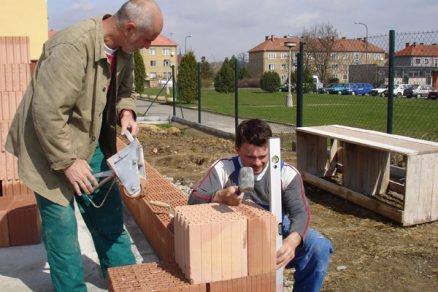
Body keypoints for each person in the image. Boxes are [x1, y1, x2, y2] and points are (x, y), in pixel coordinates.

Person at [5, 0, 163, 290]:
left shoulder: (125, 50)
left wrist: (125, 111)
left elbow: (126, 90)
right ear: (129, 28)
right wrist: (67, 162)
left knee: (109, 221)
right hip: (49, 148)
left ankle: (126, 282)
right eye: (146, 40)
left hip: (89, 143)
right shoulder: (71, 47)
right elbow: (46, 113)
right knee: (63, 235)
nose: (148, 47)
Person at [188, 119, 333, 292]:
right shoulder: (223, 169)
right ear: (237, 149)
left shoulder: (286, 174)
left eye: (262, 157)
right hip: (233, 234)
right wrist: (219, 196)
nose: (257, 163)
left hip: (276, 227)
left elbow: (300, 214)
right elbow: (193, 199)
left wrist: (292, 241)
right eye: (250, 157)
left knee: (318, 247)